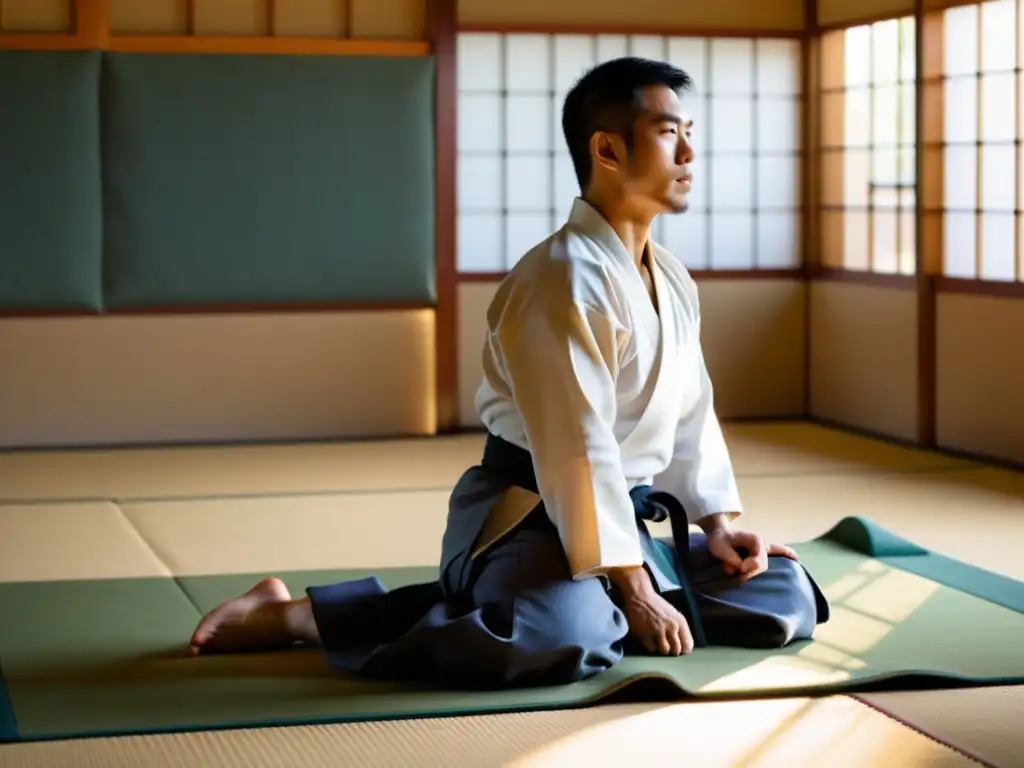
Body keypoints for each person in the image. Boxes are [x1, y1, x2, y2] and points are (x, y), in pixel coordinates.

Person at [188, 56, 829, 688]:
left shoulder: (671, 279)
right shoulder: (562, 279)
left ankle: (602, 602)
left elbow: (690, 413)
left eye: (690, 134)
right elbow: (576, 447)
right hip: (527, 519)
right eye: (669, 134)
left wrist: (718, 525)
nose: (689, 153)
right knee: (555, 639)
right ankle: (301, 616)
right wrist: (633, 587)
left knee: (785, 591)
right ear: (607, 149)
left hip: (617, 521)